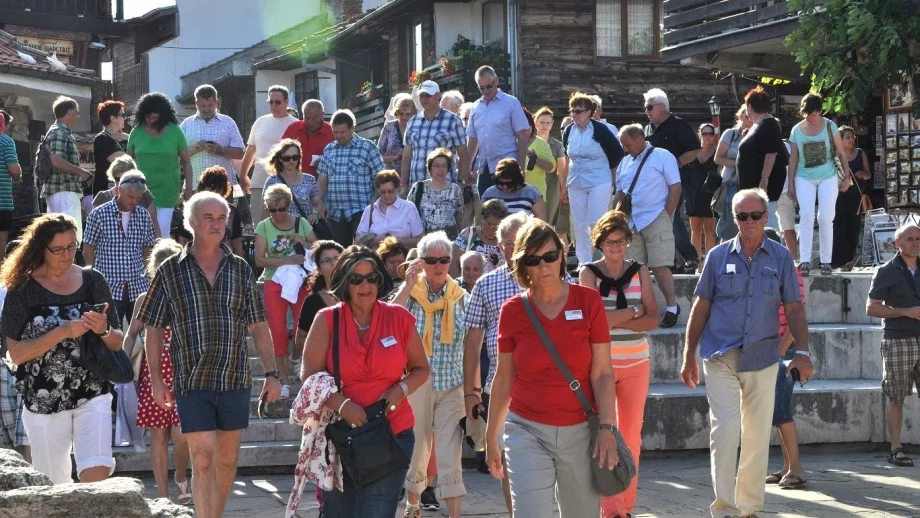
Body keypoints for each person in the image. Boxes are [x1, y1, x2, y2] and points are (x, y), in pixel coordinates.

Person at [138, 192, 281, 518]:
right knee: (202, 457)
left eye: (221, 218)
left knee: (228, 458)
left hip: (234, 377)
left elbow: (258, 324)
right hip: (191, 379)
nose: (217, 224)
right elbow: (154, 329)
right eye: (208, 218)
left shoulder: (241, 269)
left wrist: (271, 373)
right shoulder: (170, 272)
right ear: (191, 224)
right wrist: (158, 381)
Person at [680, 188, 813, 518]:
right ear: (733, 219)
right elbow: (701, 307)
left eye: (756, 215)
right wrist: (687, 355)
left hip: (763, 355)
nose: (750, 221)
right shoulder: (717, 255)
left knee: (755, 436)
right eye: (742, 216)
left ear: (766, 217)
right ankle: (724, 508)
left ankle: (749, 509)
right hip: (720, 353)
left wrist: (804, 352)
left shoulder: (782, 257)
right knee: (724, 431)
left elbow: (794, 307)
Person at [485, 218, 618, 517]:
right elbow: (504, 379)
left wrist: (608, 427)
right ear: (523, 265)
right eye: (534, 260)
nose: (543, 266)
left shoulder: (589, 301)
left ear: (562, 254)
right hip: (526, 430)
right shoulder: (512, 311)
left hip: (582, 429)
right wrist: (491, 436)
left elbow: (603, 372)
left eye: (549, 256)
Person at [300, 246, 430, 518]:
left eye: (372, 278)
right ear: (344, 282)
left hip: (390, 435)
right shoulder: (327, 319)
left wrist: (401, 389)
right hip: (342, 439)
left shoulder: (399, 317)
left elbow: (421, 369)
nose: (365, 285)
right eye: (356, 279)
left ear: (380, 281)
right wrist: (343, 404)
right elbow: (309, 377)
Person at [0, 214, 123, 484]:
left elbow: (117, 342)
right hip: (43, 403)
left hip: (93, 393)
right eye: (58, 249)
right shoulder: (22, 289)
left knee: (98, 477)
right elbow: (16, 354)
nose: (67, 255)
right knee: (54, 487)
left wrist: (103, 329)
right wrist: (62, 332)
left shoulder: (93, 280)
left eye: (71, 247)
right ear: (40, 249)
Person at [579, 210, 658, 518]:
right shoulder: (588, 273)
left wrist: (613, 320)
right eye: (610, 241)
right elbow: (590, 324)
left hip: (637, 364)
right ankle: (611, 510)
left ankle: (624, 507)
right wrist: (631, 313)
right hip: (601, 368)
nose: (616, 246)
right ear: (600, 243)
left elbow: (653, 319)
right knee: (606, 435)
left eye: (622, 240)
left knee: (632, 437)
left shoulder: (640, 271)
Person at [392, 232, 469, 518]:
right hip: (417, 383)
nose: (438, 266)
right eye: (432, 260)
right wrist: (407, 284)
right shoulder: (410, 295)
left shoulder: (461, 297)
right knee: (418, 447)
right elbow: (388, 320)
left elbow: (474, 342)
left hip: (453, 383)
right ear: (420, 262)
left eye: (444, 260)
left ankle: (455, 514)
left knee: (450, 453)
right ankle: (413, 507)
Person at [461, 212, 530, 515]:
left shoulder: (555, 278)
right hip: (500, 386)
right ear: (500, 247)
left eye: (522, 242)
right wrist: (471, 393)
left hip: (546, 383)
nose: (516, 249)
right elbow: (472, 343)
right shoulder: (486, 285)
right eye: (510, 244)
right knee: (509, 458)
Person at [122, 239, 191, 503]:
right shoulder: (145, 298)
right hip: (154, 373)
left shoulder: (188, 295)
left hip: (185, 372)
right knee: (158, 436)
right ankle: (162, 494)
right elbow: (131, 335)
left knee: (182, 436)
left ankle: (181, 476)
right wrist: (123, 366)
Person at [614, 124, 682, 328]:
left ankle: (672, 307)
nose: (625, 149)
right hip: (632, 221)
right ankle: (640, 309)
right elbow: (620, 191)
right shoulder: (625, 162)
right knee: (634, 269)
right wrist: (613, 217)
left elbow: (675, 187)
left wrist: (666, 215)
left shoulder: (662, 155)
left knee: (660, 266)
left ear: (639, 138)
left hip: (655, 216)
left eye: (627, 144)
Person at [866, 223, 920, 469]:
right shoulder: (886, 271)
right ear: (897, 243)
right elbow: (872, 308)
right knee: (896, 396)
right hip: (898, 340)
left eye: (918, 238)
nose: (915, 243)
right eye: (909, 239)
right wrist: (905, 312)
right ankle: (895, 448)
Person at [255, 184, 316, 399]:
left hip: (300, 280)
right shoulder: (263, 226)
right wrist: (287, 259)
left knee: (304, 327)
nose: (277, 214)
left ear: (288, 206)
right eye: (273, 210)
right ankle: (283, 379)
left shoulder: (301, 223)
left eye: (281, 209)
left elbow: (320, 249)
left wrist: (306, 245)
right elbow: (259, 259)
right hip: (273, 280)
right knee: (278, 331)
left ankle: (296, 358)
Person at [762, 228, 808, 490]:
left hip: (782, 348)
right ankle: (786, 466)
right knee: (776, 411)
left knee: (780, 409)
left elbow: (797, 314)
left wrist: (780, 350)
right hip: (770, 346)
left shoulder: (789, 268)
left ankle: (797, 468)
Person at [787, 92, 851, 276]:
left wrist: (847, 177)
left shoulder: (830, 126)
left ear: (820, 111)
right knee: (806, 215)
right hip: (803, 176)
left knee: (825, 217)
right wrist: (790, 183)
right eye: (807, 114)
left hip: (828, 176)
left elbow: (841, 153)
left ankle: (826, 262)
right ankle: (805, 261)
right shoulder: (797, 130)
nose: (810, 118)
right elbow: (793, 159)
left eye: (813, 114)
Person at [83, 170, 157, 324]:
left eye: (138, 198)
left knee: (140, 336)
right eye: (131, 197)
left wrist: (148, 277)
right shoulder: (99, 214)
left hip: (138, 285)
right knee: (111, 334)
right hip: (109, 285)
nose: (134, 201)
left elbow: (148, 250)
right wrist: (93, 282)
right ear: (119, 190)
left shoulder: (144, 215)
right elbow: (88, 250)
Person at [562, 92, 625, 264]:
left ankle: (604, 260)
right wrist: (563, 186)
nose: (575, 114)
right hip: (576, 182)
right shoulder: (568, 130)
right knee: (580, 224)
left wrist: (611, 178)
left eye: (579, 111)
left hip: (599, 180)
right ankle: (585, 263)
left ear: (590, 112)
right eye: (573, 111)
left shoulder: (600, 130)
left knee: (596, 221)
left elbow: (617, 154)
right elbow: (567, 157)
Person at [643, 88, 701, 271]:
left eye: (649, 107)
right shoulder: (648, 128)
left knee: (671, 217)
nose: (647, 112)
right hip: (653, 183)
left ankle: (688, 255)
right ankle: (670, 260)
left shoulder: (678, 125)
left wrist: (676, 162)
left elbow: (694, 149)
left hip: (674, 181)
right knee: (660, 218)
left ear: (662, 107)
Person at [127, 92, 194, 237]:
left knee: (162, 232)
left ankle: (162, 259)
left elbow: (187, 162)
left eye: (155, 117)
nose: (150, 120)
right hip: (139, 192)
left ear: (163, 115)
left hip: (167, 192)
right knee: (140, 234)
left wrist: (188, 189)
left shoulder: (175, 131)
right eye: (147, 116)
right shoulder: (136, 132)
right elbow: (127, 164)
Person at [316, 109, 386, 246]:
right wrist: (320, 202)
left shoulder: (367, 147)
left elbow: (381, 175)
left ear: (352, 128)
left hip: (361, 209)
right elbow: (322, 179)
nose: (338, 136)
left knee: (363, 249)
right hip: (335, 211)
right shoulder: (329, 149)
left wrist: (375, 198)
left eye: (342, 132)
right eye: (335, 132)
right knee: (339, 252)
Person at [466, 66, 530, 195]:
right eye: (481, 88)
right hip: (484, 167)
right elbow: (472, 140)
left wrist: (521, 168)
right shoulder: (475, 107)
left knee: (509, 210)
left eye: (488, 86)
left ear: (496, 81)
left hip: (508, 167)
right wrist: (467, 167)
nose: (485, 91)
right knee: (486, 210)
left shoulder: (511, 103)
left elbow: (523, 136)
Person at [239, 86, 298, 227]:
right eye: (270, 102)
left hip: (287, 182)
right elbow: (251, 150)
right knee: (260, 226)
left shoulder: (295, 124)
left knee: (287, 225)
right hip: (260, 181)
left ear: (286, 102)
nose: (273, 105)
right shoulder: (260, 122)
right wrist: (243, 175)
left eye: (277, 102)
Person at [735, 86, 789, 233]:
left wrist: (764, 178)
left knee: (767, 219)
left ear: (749, 106)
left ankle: (774, 252)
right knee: (761, 220)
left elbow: (771, 153)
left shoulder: (768, 124)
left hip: (764, 186)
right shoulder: (759, 124)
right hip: (754, 186)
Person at [41, 96, 93, 243]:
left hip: (60, 190)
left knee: (59, 236)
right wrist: (81, 172)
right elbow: (56, 161)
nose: (77, 116)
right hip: (63, 189)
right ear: (69, 112)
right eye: (76, 112)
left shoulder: (59, 131)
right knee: (70, 235)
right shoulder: (59, 132)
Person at [401, 81, 470, 188]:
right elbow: (407, 157)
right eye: (421, 96)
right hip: (417, 187)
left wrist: (461, 182)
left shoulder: (453, 120)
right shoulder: (412, 122)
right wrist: (403, 184)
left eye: (428, 96)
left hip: (445, 186)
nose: (424, 99)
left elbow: (463, 154)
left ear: (438, 95)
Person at [179, 84, 246, 189]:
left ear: (216, 102)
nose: (206, 109)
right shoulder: (186, 124)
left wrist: (221, 150)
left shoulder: (228, 122)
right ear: (196, 103)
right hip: (194, 186)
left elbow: (241, 153)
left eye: (210, 105)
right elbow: (175, 154)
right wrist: (193, 150)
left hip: (223, 188)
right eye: (202, 106)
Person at [832, 125, 871, 270]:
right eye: (847, 137)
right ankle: (837, 261)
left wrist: (863, 174)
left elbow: (868, 174)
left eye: (852, 137)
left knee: (853, 228)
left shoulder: (860, 154)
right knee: (838, 226)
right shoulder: (835, 156)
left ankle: (850, 260)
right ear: (840, 140)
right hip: (839, 195)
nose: (851, 140)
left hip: (856, 197)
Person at [356, 170, 424, 248]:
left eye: (390, 191)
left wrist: (392, 241)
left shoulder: (408, 208)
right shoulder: (370, 210)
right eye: (383, 192)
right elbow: (359, 240)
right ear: (378, 190)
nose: (386, 195)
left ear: (397, 189)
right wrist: (375, 240)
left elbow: (420, 240)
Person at [713, 106, 752, 242]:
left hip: (750, 185)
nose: (751, 119)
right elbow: (718, 158)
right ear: (740, 117)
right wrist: (739, 163)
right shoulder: (731, 134)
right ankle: (723, 256)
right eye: (747, 116)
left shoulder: (757, 135)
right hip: (730, 183)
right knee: (730, 221)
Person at [407, 148, 465, 238]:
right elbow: (408, 215)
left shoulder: (455, 189)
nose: (440, 170)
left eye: (444, 166)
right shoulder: (418, 187)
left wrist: (464, 241)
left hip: (450, 240)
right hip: (424, 239)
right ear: (429, 168)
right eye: (436, 166)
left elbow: (460, 218)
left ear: (448, 168)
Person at [262, 139, 321, 224]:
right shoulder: (272, 181)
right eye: (286, 158)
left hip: (305, 229)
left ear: (299, 158)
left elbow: (318, 203)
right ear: (280, 159)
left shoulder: (309, 179)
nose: (291, 161)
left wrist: (315, 213)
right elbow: (264, 209)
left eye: (295, 157)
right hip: (280, 229)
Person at [533, 107, 569, 246]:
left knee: (548, 220)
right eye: (542, 122)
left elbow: (562, 167)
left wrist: (563, 189)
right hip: (533, 184)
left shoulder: (557, 145)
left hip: (551, 185)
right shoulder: (530, 142)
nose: (545, 125)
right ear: (535, 123)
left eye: (548, 122)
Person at [686, 123, 719, 272]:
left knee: (710, 230)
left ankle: (710, 265)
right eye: (704, 133)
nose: (707, 136)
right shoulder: (692, 153)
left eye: (710, 133)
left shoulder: (718, 153)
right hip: (693, 194)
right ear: (699, 135)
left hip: (710, 195)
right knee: (695, 230)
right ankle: (697, 265)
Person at [193, 166, 245, 256]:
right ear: (203, 188)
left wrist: (240, 267)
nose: (214, 193)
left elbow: (237, 245)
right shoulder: (193, 209)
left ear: (223, 191)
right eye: (210, 188)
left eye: (218, 190)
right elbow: (183, 239)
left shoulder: (231, 212)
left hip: (226, 262)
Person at [452, 198, 509, 277]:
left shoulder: (506, 240)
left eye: (497, 226)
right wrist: (459, 285)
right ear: (483, 218)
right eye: (490, 224)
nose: (493, 229)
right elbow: (453, 262)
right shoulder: (468, 234)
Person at [280, 99, 334, 177]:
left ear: (322, 115)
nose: (310, 121)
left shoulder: (331, 132)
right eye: (307, 118)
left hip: (320, 183)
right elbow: (279, 152)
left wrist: (324, 164)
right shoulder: (293, 128)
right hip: (293, 180)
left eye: (314, 118)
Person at [481, 158, 547, 220]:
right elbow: (481, 223)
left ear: (518, 180)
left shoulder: (531, 193)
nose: (505, 187)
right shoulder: (489, 194)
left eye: (509, 184)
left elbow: (541, 223)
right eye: (501, 183)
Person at [92, 101, 129, 200]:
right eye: (122, 114)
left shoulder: (123, 139)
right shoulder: (102, 139)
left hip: (120, 192)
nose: (125, 118)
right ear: (113, 118)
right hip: (106, 194)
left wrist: (127, 137)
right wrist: (130, 138)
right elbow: (126, 162)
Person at [519, 109, 556, 200]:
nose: (525, 131)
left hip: (535, 195)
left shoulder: (540, 143)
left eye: (527, 128)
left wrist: (535, 159)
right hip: (513, 193)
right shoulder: (509, 142)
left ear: (532, 126)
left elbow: (552, 167)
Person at [0, 110, 21, 262]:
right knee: (1, 237)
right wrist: (18, 176)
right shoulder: (6, 142)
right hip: (2, 201)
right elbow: (13, 168)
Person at [378, 93, 415, 175]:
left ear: (413, 113)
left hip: (412, 175)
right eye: (401, 114)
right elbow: (378, 156)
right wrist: (395, 157)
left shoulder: (416, 128)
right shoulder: (389, 127)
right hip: (391, 176)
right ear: (396, 113)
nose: (404, 117)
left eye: (407, 114)